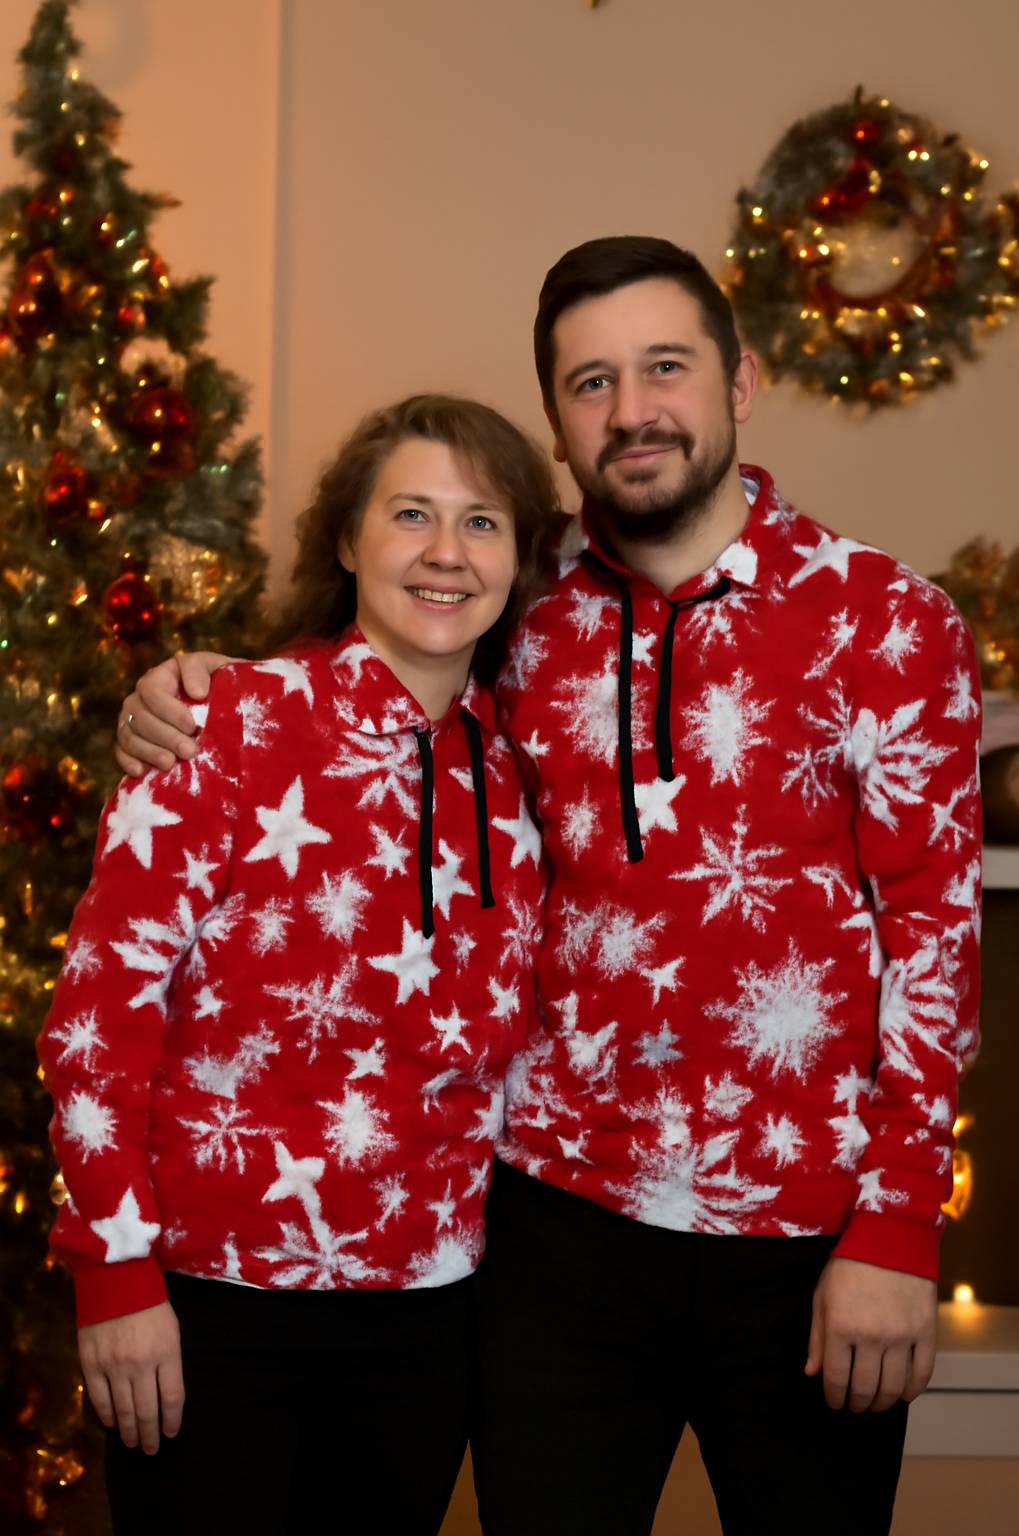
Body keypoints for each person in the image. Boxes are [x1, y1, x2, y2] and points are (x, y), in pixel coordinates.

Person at [116, 238, 982, 1536]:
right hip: (554, 1232)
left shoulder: (888, 621)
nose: (631, 409)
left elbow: (934, 928)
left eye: (665, 367)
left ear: (739, 383)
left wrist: (900, 1226)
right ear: (559, 425)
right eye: (591, 382)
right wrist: (201, 693)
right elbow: (387, 666)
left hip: (810, 1245)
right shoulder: (530, 606)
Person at [39, 394, 562, 1536]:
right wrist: (115, 1275)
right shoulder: (224, 726)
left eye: (481, 522)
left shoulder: (524, 777)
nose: (443, 552)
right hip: (212, 1309)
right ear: (346, 538)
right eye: (411, 513)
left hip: (426, 1322)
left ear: (518, 559)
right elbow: (96, 1017)